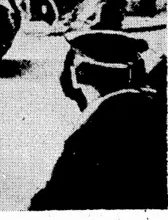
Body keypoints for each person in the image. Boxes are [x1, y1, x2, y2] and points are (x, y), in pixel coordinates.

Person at [30, 31, 167, 210]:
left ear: (82, 74)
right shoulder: (146, 110)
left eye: (68, 65)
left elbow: (57, 199)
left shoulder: (97, 131)